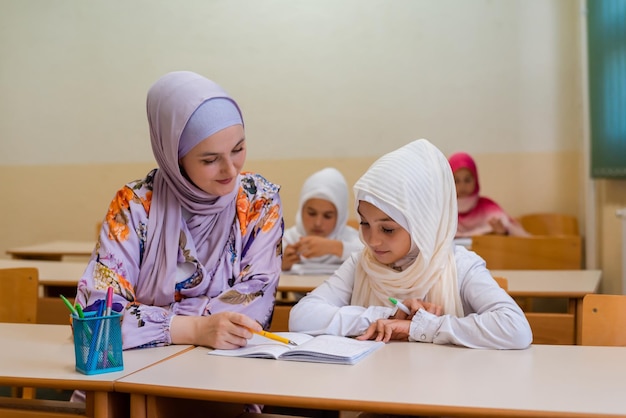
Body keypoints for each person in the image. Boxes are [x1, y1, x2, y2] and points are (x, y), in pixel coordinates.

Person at [75, 71, 283, 350]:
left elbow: (252, 312)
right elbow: (95, 320)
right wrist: (194, 329)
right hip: (137, 376)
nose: (231, 170)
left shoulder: (259, 202)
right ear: (174, 158)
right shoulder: (135, 206)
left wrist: (148, 320)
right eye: (210, 159)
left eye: (238, 149)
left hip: (228, 375)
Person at [289, 139, 532, 350]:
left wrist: (421, 327)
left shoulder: (459, 266)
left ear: (422, 223)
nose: (372, 240)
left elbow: (515, 328)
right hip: (371, 391)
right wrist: (385, 316)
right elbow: (301, 317)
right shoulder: (362, 264)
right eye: (364, 224)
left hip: (444, 394)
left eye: (388, 229)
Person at [282, 167, 363, 274]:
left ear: (340, 217)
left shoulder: (353, 240)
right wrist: (280, 266)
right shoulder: (286, 241)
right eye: (311, 213)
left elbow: (373, 259)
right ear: (301, 210)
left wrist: (336, 248)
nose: (318, 223)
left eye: (327, 216)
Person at [448, 151, 529, 238]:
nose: (462, 186)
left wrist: (502, 232)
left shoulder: (488, 208)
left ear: (475, 180)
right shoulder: (445, 210)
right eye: (456, 181)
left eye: (467, 180)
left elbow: (511, 233)